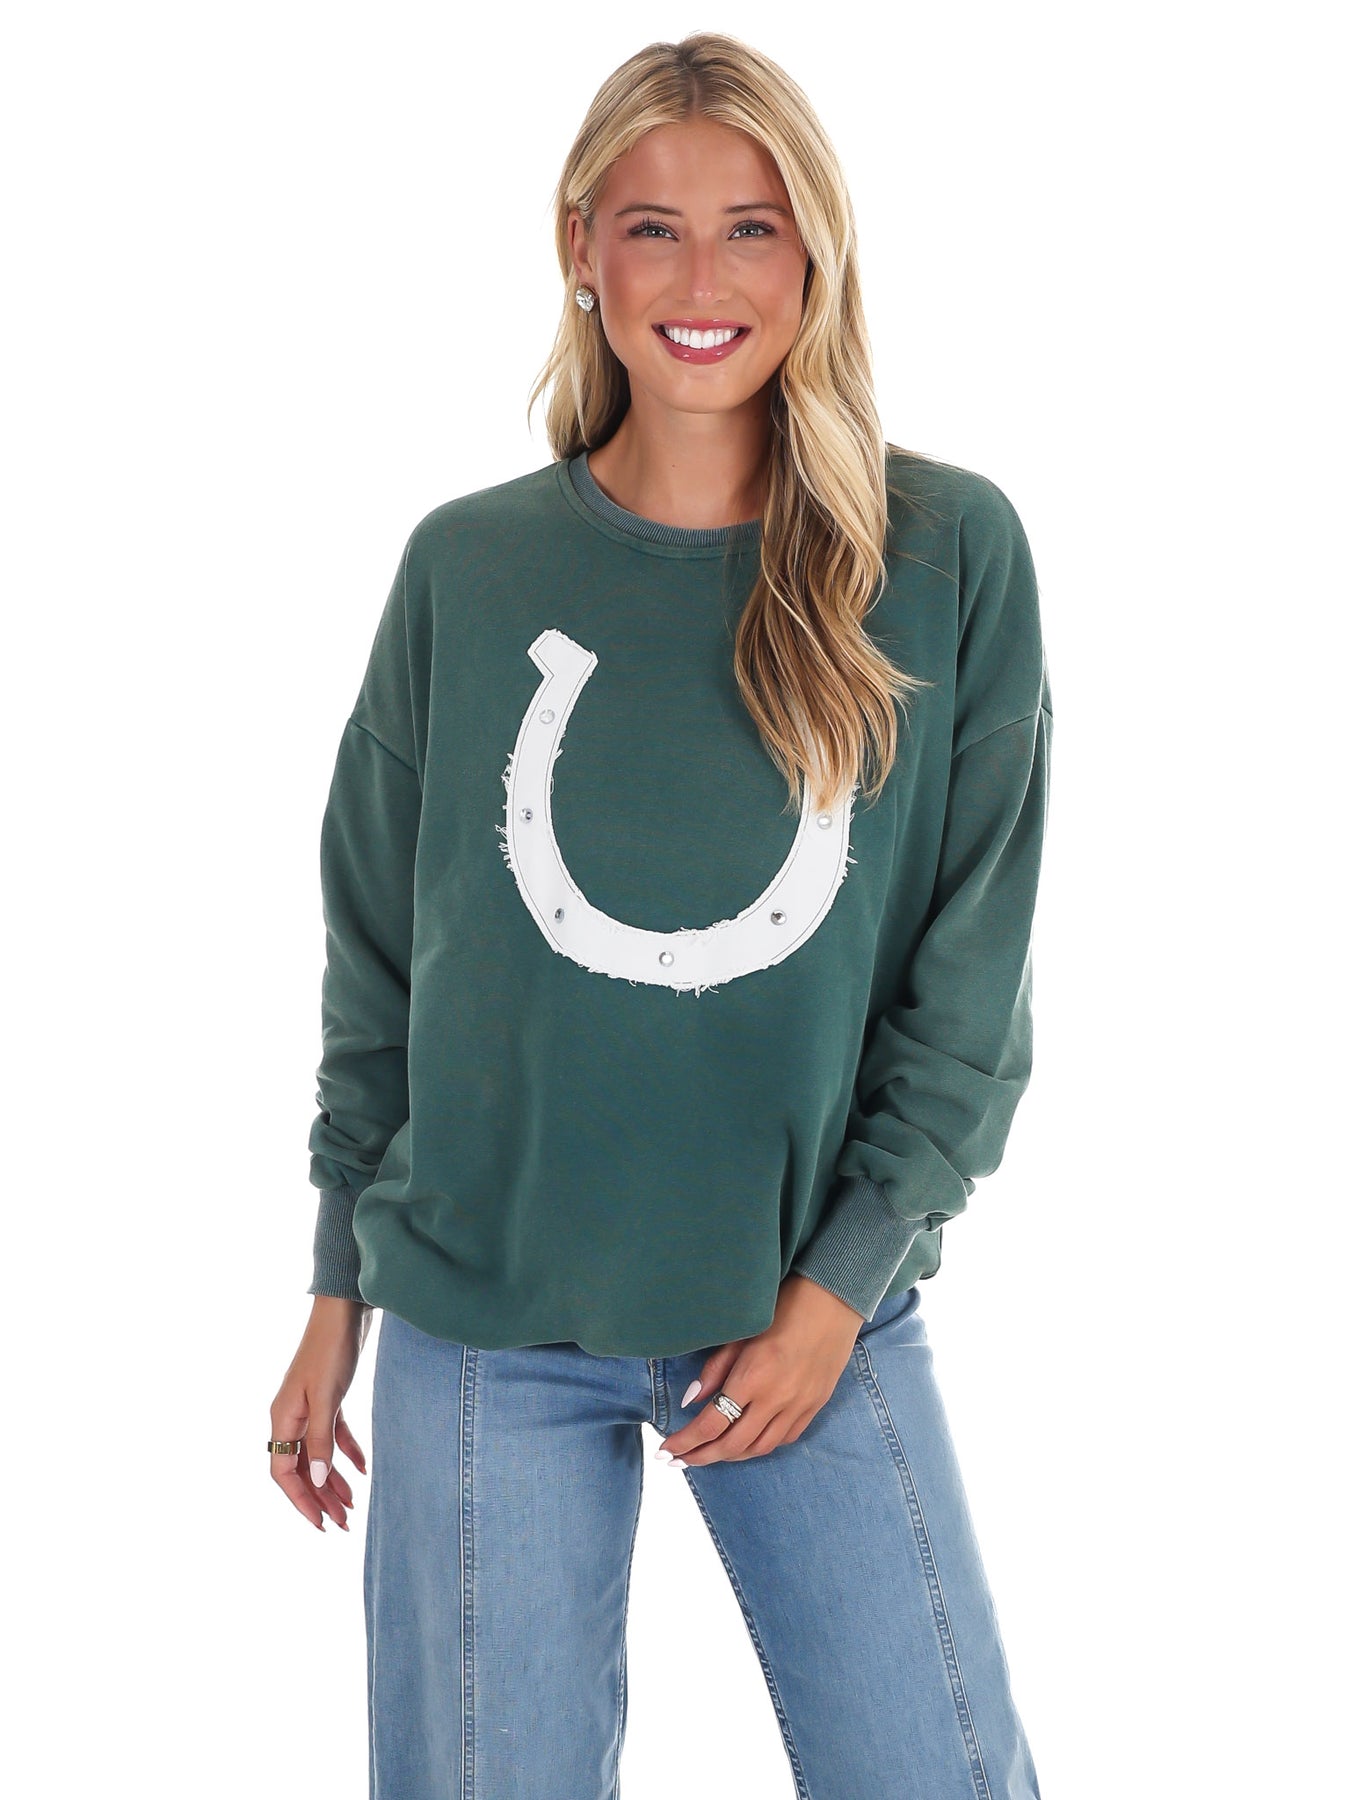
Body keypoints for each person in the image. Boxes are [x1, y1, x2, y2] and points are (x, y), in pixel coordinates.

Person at [269, 30, 1052, 1800]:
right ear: (580, 248)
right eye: (652, 228)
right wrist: (334, 1290)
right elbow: (380, 963)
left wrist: (837, 1291)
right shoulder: (467, 569)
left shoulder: (941, 557)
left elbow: (970, 988)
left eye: (750, 228)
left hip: (804, 1313)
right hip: (481, 1315)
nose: (703, 282)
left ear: (814, 252)